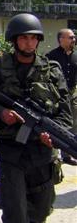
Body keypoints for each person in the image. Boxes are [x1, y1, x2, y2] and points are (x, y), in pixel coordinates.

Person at [0, 13, 72, 223]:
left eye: (33, 38)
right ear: (14, 40)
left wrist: (55, 137)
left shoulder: (52, 71)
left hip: (42, 154)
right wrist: (1, 113)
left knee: (40, 213)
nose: (29, 43)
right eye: (23, 38)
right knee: (15, 217)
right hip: (11, 152)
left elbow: (65, 114)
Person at [46, 28, 77, 166]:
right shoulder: (51, 56)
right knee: (59, 123)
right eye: (70, 37)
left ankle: (71, 151)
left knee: (74, 122)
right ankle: (58, 154)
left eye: (74, 37)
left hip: (73, 92)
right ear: (61, 39)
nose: (73, 40)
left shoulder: (76, 56)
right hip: (57, 94)